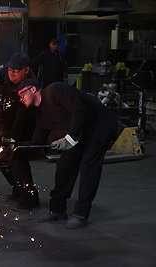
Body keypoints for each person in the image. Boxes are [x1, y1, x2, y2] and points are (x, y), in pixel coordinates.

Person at [15, 78, 117, 229]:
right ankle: (57, 210)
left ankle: (81, 214)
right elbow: (38, 139)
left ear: (33, 89)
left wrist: (70, 138)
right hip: (80, 132)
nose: (20, 98)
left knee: (88, 168)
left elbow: (78, 110)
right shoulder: (41, 112)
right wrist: (15, 146)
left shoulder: (55, 90)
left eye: (22, 94)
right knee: (64, 167)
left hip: (99, 127)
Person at [0, 53, 40, 211]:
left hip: (25, 130)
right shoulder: (10, 74)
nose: (11, 73)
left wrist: (9, 136)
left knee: (17, 160)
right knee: (1, 158)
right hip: (11, 125)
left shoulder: (28, 87)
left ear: (26, 70)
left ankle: (30, 199)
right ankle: (18, 189)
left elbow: (21, 120)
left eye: (15, 70)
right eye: (10, 69)